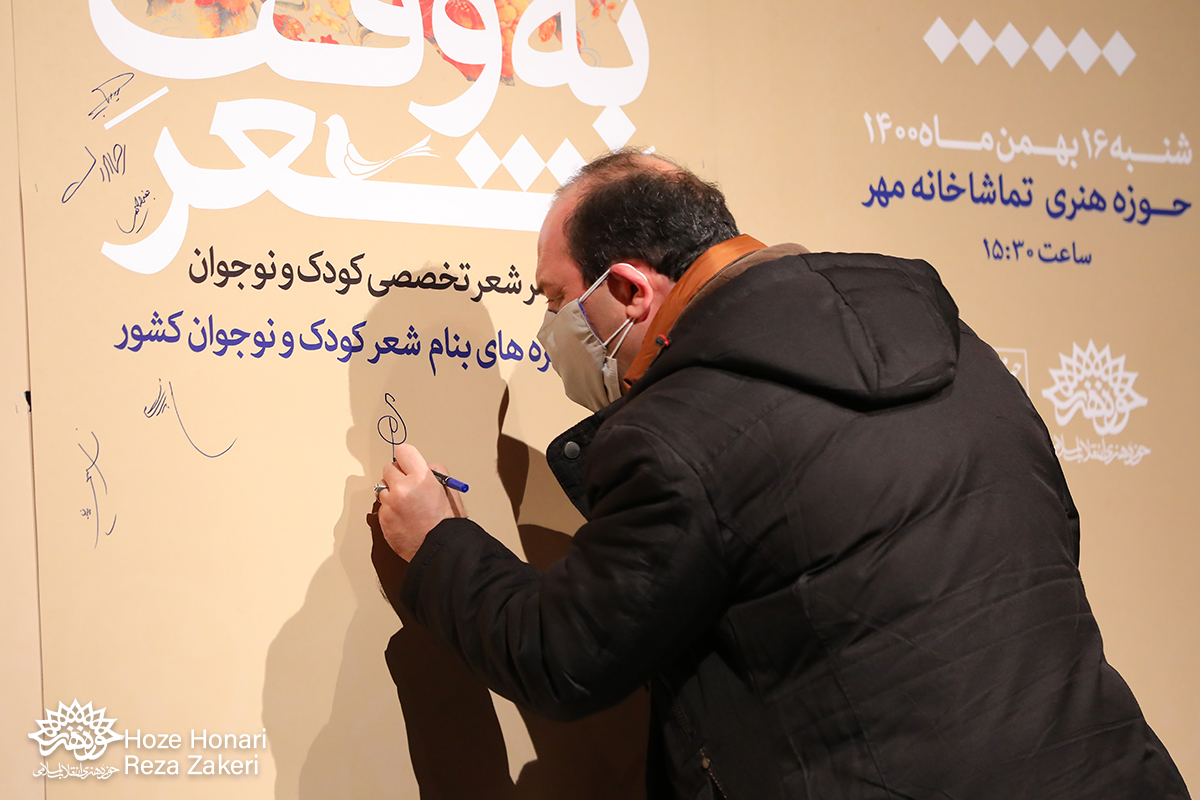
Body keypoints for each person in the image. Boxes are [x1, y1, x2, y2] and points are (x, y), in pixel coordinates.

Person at [375, 150, 1190, 800]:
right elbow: (1056, 534)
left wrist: (439, 543)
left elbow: (566, 654)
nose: (550, 328)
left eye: (556, 300)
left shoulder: (678, 431)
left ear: (626, 289)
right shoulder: (957, 352)